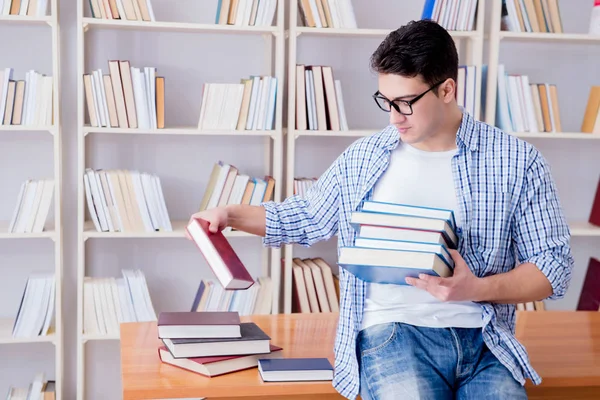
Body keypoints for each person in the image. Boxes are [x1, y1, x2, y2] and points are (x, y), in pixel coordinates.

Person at [187, 19, 574, 400]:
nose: (393, 117)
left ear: (447, 90)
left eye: (405, 103)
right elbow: (306, 217)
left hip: (487, 341)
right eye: (385, 102)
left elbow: (553, 266)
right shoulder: (364, 158)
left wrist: (478, 288)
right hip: (393, 334)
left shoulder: (517, 161)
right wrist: (230, 215)